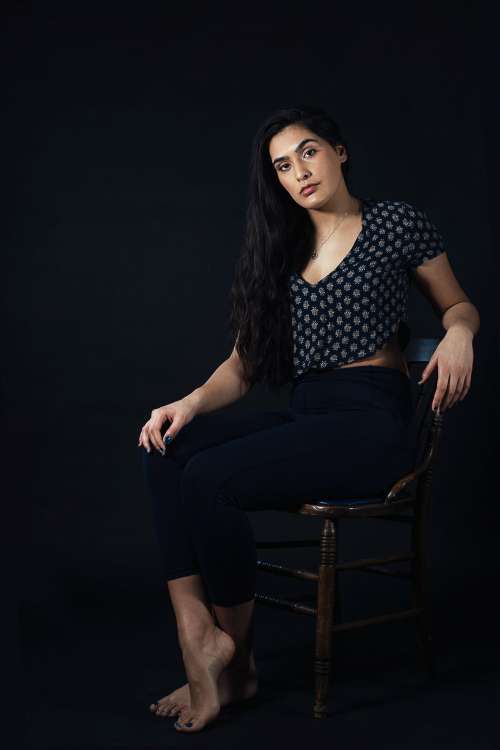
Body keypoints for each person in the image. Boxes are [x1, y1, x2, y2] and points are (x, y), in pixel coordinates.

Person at [138, 105, 479, 733]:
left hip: (374, 423)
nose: (299, 172)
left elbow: (456, 302)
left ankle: (233, 660)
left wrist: (460, 333)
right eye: (283, 166)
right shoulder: (278, 250)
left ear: (340, 152)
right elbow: (243, 365)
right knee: (168, 447)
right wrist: (185, 403)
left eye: (309, 152)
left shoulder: (393, 223)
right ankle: (198, 633)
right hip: (307, 416)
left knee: (211, 479)